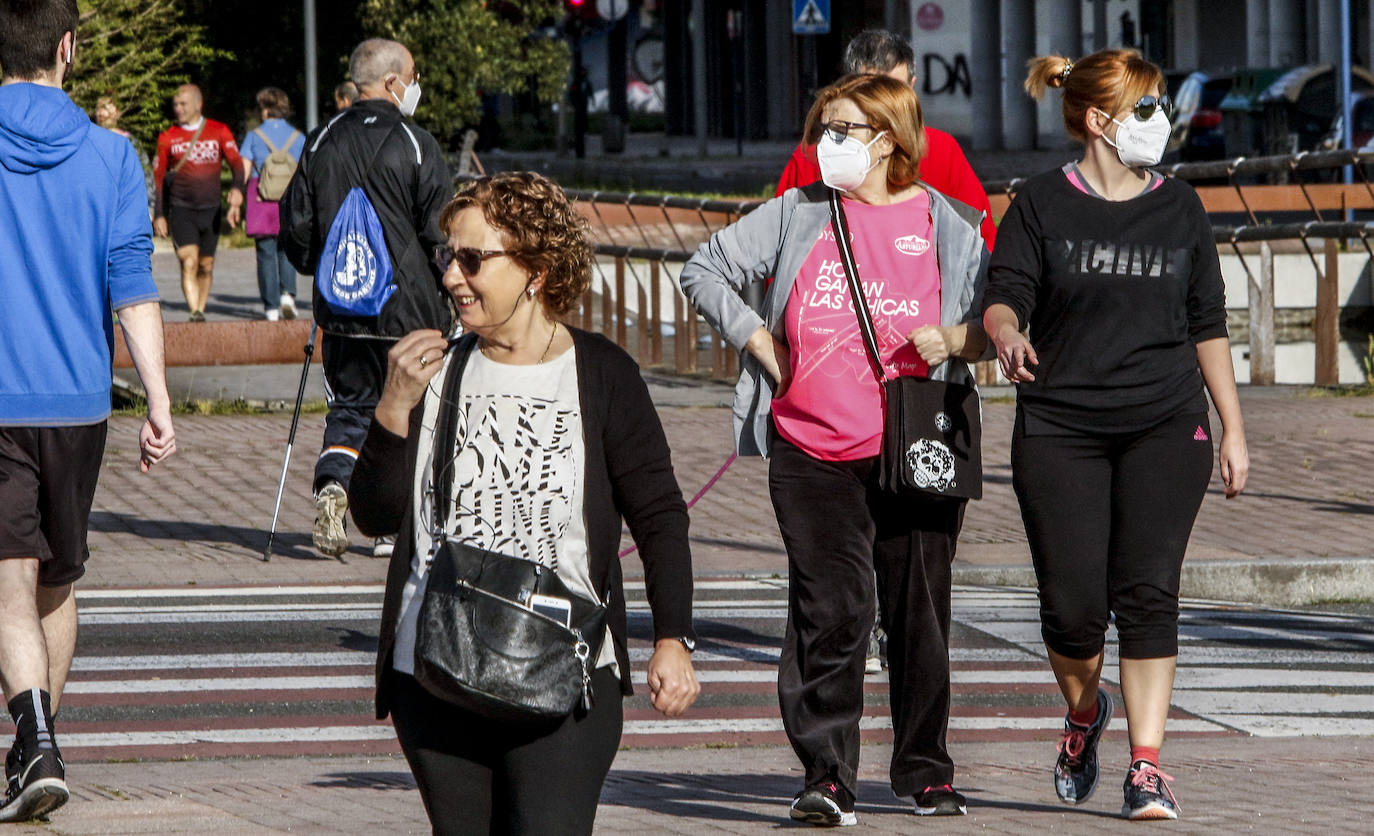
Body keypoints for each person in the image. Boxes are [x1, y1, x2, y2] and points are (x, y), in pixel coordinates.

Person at [680, 73, 991, 826]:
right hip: (809, 447)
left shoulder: (947, 226)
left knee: (919, 612)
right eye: (825, 125)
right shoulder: (798, 212)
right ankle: (827, 776)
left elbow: (998, 321)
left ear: (887, 140)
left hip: (917, 448)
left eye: (843, 128)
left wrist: (953, 339)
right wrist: (757, 340)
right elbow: (703, 268)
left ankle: (924, 769)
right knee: (834, 609)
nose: (827, 142)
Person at [349, 171, 700, 833]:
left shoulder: (601, 374)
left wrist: (672, 639)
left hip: (565, 672)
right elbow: (372, 515)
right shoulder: (432, 371)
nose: (452, 276)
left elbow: (658, 514)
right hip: (435, 672)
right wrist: (393, 409)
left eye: (473, 259)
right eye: (446, 257)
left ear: (536, 269)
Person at [982, 49, 1250, 822]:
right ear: (1098, 121)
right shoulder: (1038, 204)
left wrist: (1232, 425)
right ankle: (1081, 714)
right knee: (1072, 611)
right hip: (1060, 427)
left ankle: (1147, 765)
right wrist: (1005, 334)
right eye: (1143, 108)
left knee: (1148, 593)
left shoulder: (1181, 208)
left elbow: (1208, 323)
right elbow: (1005, 297)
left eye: (1158, 104)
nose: (1157, 121)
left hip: (1165, 425)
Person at [0, 0, 176, 821]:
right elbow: (132, 286)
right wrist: (160, 401)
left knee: (8, 581)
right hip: (78, 404)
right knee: (57, 582)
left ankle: (34, 742)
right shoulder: (111, 154)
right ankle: (38, 744)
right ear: (67, 46)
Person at [281, 39, 454, 559]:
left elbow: (297, 228)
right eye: (414, 76)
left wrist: (320, 266)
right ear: (396, 81)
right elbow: (441, 231)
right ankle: (388, 526)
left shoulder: (320, 141)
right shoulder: (418, 143)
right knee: (414, 412)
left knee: (351, 408)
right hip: (412, 313)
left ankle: (335, 483)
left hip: (343, 311)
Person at [776, 29, 997, 248]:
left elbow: (979, 240)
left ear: (912, 88)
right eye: (871, 91)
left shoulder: (941, 149)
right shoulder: (817, 153)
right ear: (847, 88)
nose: (883, 105)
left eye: (893, 92)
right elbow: (782, 244)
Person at [152, 83, 245, 321]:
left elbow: (236, 164)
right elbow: (159, 178)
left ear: (198, 104)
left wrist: (236, 189)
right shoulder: (168, 136)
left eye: (183, 104)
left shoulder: (219, 130)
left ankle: (200, 309)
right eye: (175, 104)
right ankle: (194, 310)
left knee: (206, 265)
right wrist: (159, 214)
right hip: (182, 209)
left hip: (211, 209)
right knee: (189, 261)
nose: (178, 108)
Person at [239, 86, 304, 321]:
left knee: (265, 252)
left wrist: (236, 197)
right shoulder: (298, 137)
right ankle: (288, 295)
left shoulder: (254, 136)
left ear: (265, 109)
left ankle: (271, 308)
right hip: (289, 200)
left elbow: (244, 171)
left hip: (261, 198)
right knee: (286, 249)